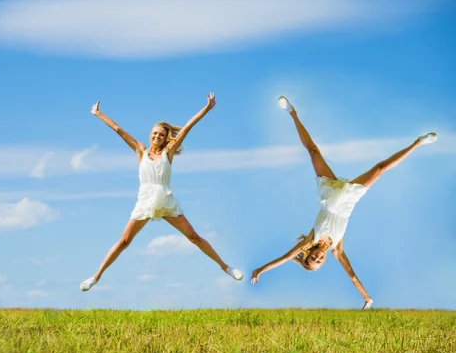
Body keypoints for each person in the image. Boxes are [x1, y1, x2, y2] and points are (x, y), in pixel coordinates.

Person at [250, 96, 438, 309]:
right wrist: (367, 298)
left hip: (329, 191)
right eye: (320, 262)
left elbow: (285, 258)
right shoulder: (337, 249)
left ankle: (292, 112)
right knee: (380, 168)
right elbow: (352, 276)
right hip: (349, 198)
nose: (319, 258)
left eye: (313, 259)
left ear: (309, 253)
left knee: (313, 151)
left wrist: (260, 270)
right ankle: (419, 142)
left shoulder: (311, 240)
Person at [80, 93, 243, 292]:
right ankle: (95, 277)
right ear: (150, 134)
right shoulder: (140, 150)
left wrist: (207, 109)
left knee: (194, 237)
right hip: (145, 201)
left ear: (166, 137)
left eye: (161, 134)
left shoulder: (169, 152)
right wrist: (98, 113)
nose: (157, 136)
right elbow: (118, 130)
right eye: (154, 133)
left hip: (166, 201)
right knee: (123, 242)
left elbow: (188, 127)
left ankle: (226, 267)